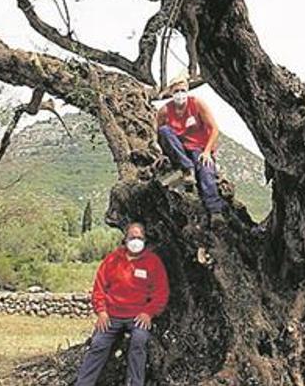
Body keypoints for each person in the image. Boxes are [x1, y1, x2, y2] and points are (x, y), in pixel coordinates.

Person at [75, 222, 170, 386]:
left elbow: (161, 293)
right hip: (111, 316)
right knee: (97, 344)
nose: (136, 241)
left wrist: (149, 312)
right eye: (132, 237)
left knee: (139, 342)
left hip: (137, 316)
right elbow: (99, 288)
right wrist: (101, 311)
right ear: (125, 239)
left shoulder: (153, 262)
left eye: (139, 238)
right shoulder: (112, 260)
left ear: (145, 240)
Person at [155, 74, 227, 218]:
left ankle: (215, 212)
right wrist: (159, 153)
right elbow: (156, 133)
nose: (179, 94)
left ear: (187, 90)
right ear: (171, 92)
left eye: (182, 90)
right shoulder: (164, 111)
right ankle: (187, 169)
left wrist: (207, 152)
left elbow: (214, 129)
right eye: (176, 91)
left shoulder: (196, 104)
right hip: (180, 149)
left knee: (206, 173)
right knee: (164, 131)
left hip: (199, 147)